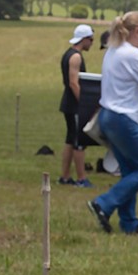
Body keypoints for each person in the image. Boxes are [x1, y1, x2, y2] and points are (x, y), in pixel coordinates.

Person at [87, 11, 138, 236]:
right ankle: (103, 203)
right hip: (124, 119)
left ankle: (129, 223)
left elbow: (129, 69)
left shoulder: (114, 50)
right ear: (137, 30)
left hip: (107, 116)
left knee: (130, 170)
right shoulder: (133, 55)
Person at [58, 23, 96, 188]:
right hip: (74, 105)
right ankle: (81, 178)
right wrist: (84, 103)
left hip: (68, 103)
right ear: (84, 39)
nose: (92, 43)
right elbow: (74, 83)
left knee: (70, 140)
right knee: (79, 141)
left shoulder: (68, 54)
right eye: (91, 39)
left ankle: (65, 176)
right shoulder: (76, 57)